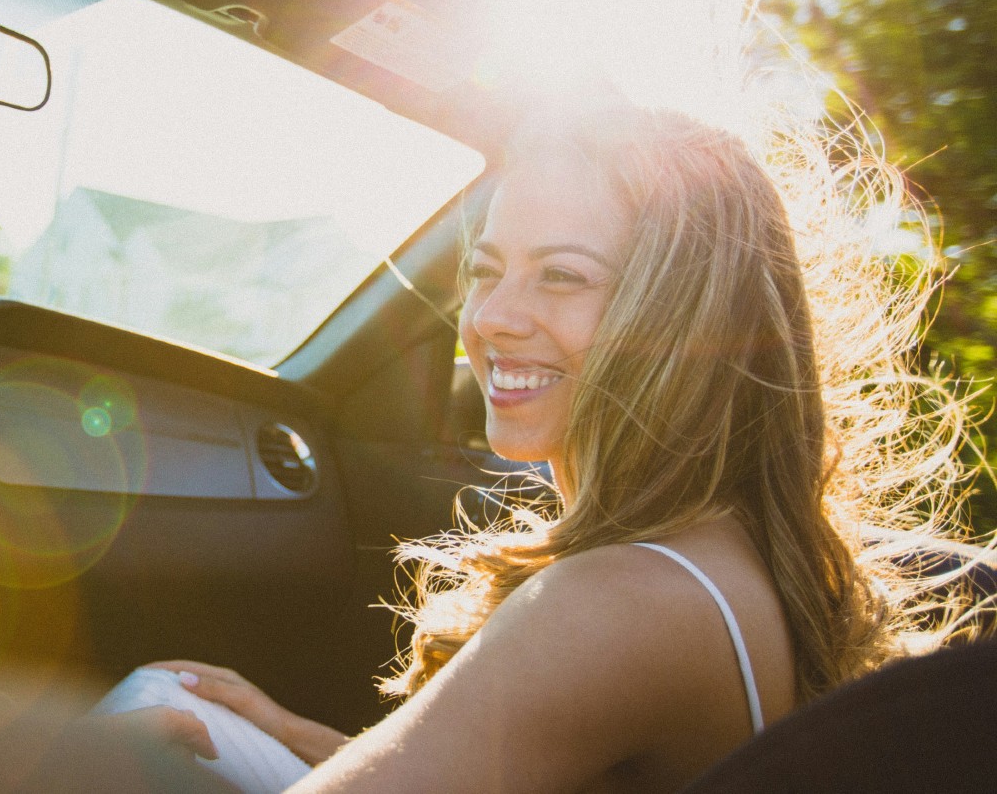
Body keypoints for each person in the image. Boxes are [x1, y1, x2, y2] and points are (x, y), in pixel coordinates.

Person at [147, 104, 986, 792]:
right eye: (486, 270)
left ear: (681, 324)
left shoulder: (620, 600)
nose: (492, 318)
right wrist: (306, 742)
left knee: (137, 714)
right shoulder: (723, 549)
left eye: (563, 275)